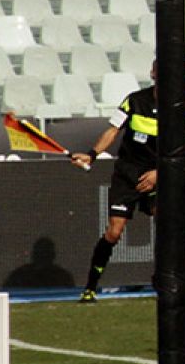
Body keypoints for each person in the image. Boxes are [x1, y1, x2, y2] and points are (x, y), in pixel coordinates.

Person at [69, 62, 161, 302]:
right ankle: (90, 287)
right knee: (114, 231)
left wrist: (158, 173)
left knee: (168, 226)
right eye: (159, 71)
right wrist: (92, 154)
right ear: (152, 73)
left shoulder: (180, 108)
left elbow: (183, 148)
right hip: (127, 173)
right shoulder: (134, 100)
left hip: (158, 174)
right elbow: (112, 130)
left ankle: (166, 279)